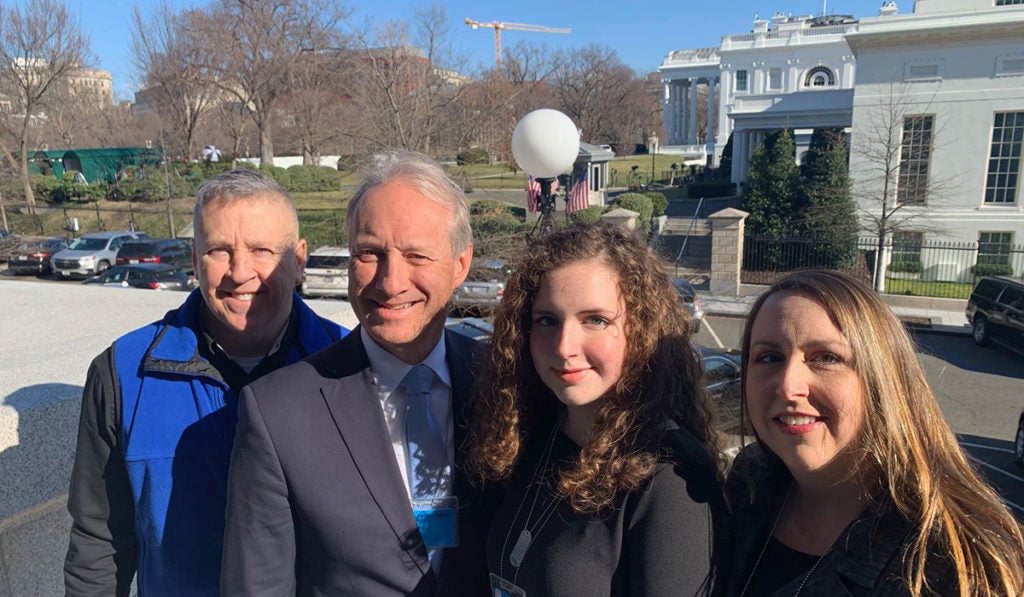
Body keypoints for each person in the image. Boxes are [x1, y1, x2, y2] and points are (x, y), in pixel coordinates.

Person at [63, 168, 348, 596]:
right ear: (195, 259)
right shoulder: (123, 374)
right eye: (219, 250)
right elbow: (100, 539)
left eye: (262, 249)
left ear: (299, 259)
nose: (240, 271)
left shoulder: (348, 366)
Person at [221, 151, 493, 596]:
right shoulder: (277, 413)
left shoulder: (504, 384)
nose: (390, 281)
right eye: (370, 253)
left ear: (460, 265)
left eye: (417, 255)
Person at [722, 269, 1024, 597]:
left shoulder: (959, 564)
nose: (787, 385)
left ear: (882, 379)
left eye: (826, 357)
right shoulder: (748, 484)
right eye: (769, 357)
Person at [467, 223, 726, 597]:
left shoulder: (670, 478)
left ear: (641, 331)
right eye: (547, 320)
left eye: (596, 320)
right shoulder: (532, 439)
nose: (564, 346)